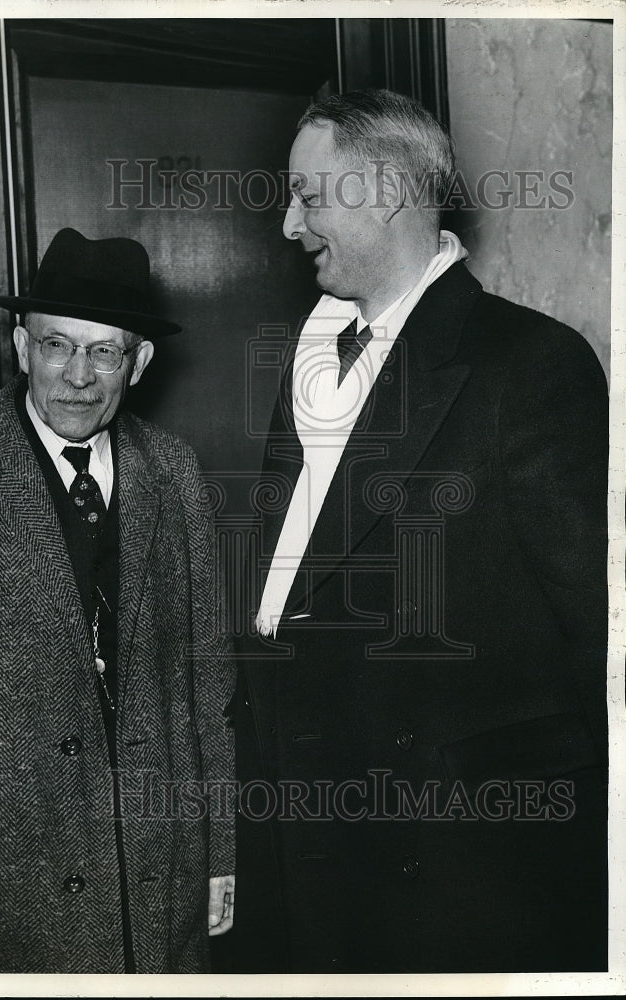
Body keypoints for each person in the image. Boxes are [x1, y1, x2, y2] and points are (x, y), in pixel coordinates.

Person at [231, 89, 608, 974]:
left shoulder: (531, 364)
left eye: (308, 196)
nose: (289, 224)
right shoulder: (315, 352)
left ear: (388, 192)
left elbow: (595, 632)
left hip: (455, 860)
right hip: (309, 825)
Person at [0, 228, 235, 974]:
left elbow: (207, 679)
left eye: (103, 352)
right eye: (57, 345)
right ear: (21, 345)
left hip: (156, 876)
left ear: (139, 361)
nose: (77, 375)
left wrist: (219, 847)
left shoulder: (174, 469)